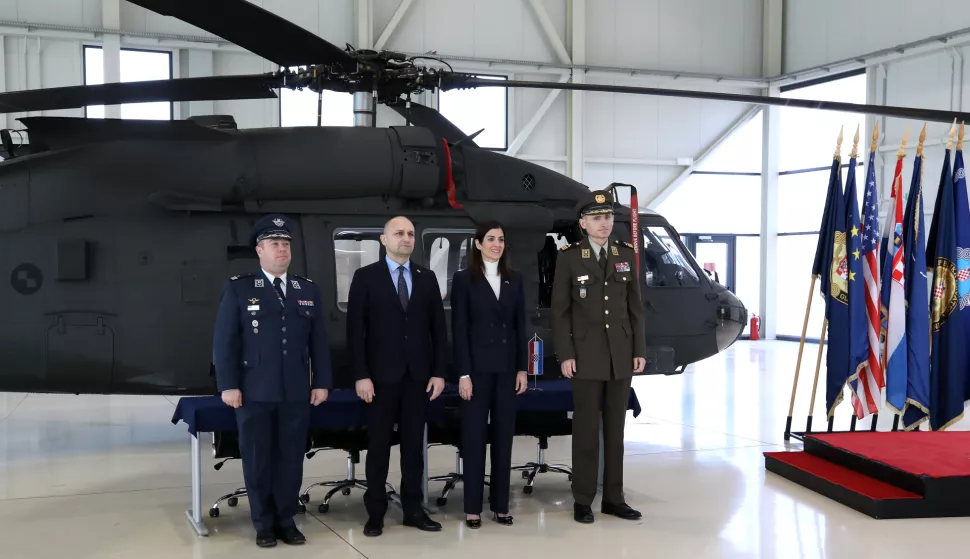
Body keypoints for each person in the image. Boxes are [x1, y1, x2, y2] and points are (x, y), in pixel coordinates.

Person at [212, 213, 332, 548]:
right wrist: (228, 385)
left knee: (291, 459)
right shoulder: (239, 288)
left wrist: (322, 381)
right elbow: (224, 342)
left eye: (285, 244)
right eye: (274, 244)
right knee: (257, 458)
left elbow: (318, 341)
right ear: (260, 250)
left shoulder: (305, 289)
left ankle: (285, 519)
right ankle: (263, 523)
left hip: (295, 391)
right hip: (254, 391)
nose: (281, 250)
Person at [346, 215, 447, 537]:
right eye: (398, 233)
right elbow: (355, 333)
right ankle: (375, 513)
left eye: (410, 233)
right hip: (378, 380)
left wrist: (439, 373)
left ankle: (413, 510)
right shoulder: (365, 277)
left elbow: (438, 332)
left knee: (413, 450)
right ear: (383, 240)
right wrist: (361, 375)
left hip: (417, 379)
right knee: (378, 448)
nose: (406, 238)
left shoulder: (427, 278)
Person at [550, 190, 646, 524]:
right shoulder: (569, 257)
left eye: (607, 217)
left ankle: (614, 498)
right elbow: (560, 312)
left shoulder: (625, 254)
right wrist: (566, 354)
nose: (604, 224)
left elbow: (635, 308)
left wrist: (639, 350)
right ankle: (582, 499)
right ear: (583, 223)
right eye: (596, 218)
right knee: (586, 431)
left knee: (616, 432)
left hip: (621, 355)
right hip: (586, 356)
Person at [451, 221, 529, 529]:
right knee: (473, 438)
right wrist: (464, 373)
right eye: (491, 239)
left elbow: (520, 327)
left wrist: (522, 367)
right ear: (478, 244)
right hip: (476, 371)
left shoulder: (515, 279)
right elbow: (459, 330)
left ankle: (500, 505)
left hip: (507, 370)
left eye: (501, 239)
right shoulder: (464, 280)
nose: (497, 244)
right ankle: (472, 507)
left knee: (503, 438)